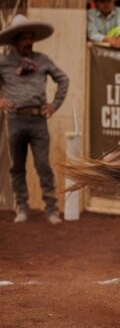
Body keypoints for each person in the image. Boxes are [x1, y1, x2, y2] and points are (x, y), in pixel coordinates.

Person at [0, 15, 69, 225]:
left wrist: (54, 106)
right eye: (24, 38)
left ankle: (51, 208)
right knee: (17, 166)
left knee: (42, 164)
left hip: (38, 120)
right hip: (15, 119)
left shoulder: (43, 60)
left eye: (31, 38)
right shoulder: (4, 62)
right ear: (15, 40)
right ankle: (21, 206)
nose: (29, 42)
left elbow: (63, 79)